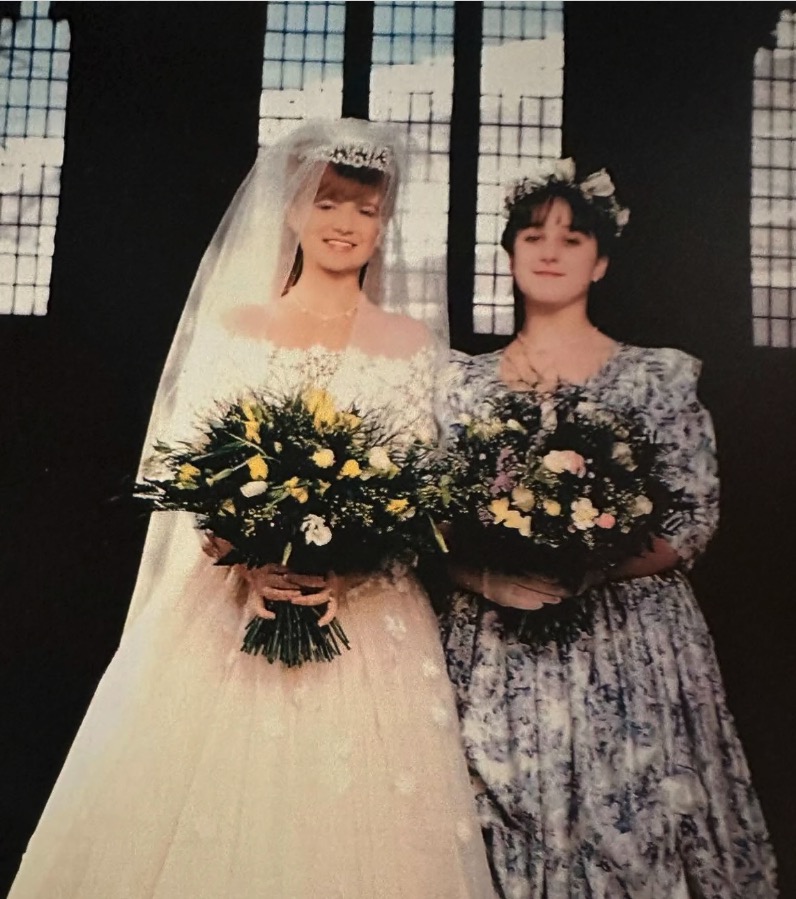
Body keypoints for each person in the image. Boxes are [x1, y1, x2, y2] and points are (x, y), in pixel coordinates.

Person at [8, 119, 494, 898]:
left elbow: (418, 495)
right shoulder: (239, 330)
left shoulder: (412, 345)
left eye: (365, 211)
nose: (345, 224)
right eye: (329, 203)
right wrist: (247, 552)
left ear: (385, 223)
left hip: (367, 615)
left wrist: (350, 562)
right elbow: (193, 474)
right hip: (236, 602)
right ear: (293, 211)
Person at [439, 159, 778, 898]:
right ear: (510, 254)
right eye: (533, 235)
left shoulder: (657, 376)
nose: (551, 250)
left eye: (572, 236)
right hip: (500, 643)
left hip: (631, 643)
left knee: (636, 831)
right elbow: (430, 519)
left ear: (602, 260)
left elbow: (693, 517)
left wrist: (592, 564)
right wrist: (490, 572)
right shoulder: (460, 383)